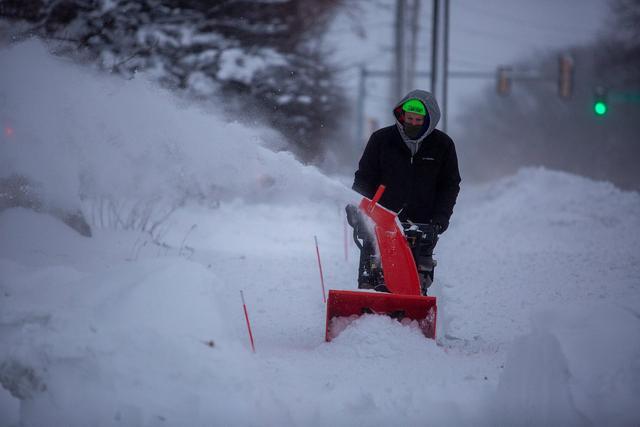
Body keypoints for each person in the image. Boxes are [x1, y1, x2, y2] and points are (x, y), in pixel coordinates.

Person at [347, 89, 461, 293]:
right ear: (402, 116)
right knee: (372, 280)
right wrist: (357, 209)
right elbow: (365, 177)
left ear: (429, 120)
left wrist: (440, 219)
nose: (412, 123)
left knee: (415, 285)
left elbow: (449, 186)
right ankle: (368, 309)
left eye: (418, 120)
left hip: (422, 225)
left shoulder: (442, 145)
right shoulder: (382, 140)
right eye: (409, 118)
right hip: (380, 222)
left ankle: (410, 317)